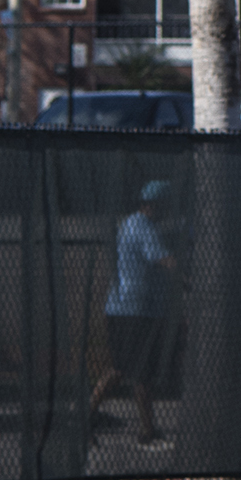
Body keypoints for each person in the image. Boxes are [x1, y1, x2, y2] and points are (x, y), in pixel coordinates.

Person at [102, 180, 180, 442]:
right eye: (166, 205)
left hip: (135, 308)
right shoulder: (143, 226)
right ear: (154, 205)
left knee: (132, 370)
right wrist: (193, 279)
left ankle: (147, 428)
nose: (169, 210)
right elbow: (164, 260)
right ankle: (144, 428)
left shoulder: (134, 223)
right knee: (130, 370)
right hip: (131, 309)